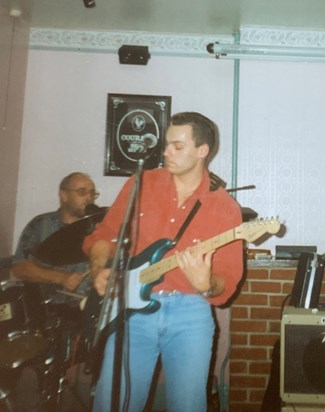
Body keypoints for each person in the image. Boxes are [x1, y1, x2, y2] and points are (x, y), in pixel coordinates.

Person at [83, 111, 244, 412]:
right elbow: (105, 235)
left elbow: (229, 278)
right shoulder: (140, 184)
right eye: (167, 144)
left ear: (202, 151)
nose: (166, 152)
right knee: (114, 404)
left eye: (177, 146)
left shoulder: (224, 207)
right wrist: (98, 269)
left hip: (190, 315)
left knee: (188, 406)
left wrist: (207, 285)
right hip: (131, 311)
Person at [9, 172, 99, 411]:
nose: (89, 198)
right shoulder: (41, 225)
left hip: (91, 305)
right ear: (63, 195)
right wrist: (60, 277)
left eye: (92, 193)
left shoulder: (97, 229)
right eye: (82, 192)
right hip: (52, 306)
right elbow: (19, 267)